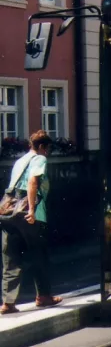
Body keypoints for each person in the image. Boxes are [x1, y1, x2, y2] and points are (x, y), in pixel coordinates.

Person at [1, 130, 61, 314]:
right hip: (28, 213)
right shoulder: (39, 159)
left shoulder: (20, 160)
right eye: (48, 149)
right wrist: (32, 211)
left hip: (9, 212)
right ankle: (43, 296)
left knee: (10, 256)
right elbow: (33, 182)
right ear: (42, 147)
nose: (48, 153)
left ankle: (8, 303)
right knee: (38, 254)